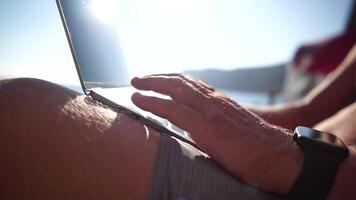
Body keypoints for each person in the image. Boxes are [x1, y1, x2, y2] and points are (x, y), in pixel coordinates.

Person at [0, 45, 355, 199]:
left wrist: (292, 160)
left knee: (21, 115)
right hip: (316, 168)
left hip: (324, 184)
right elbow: (308, 111)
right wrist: (227, 116)